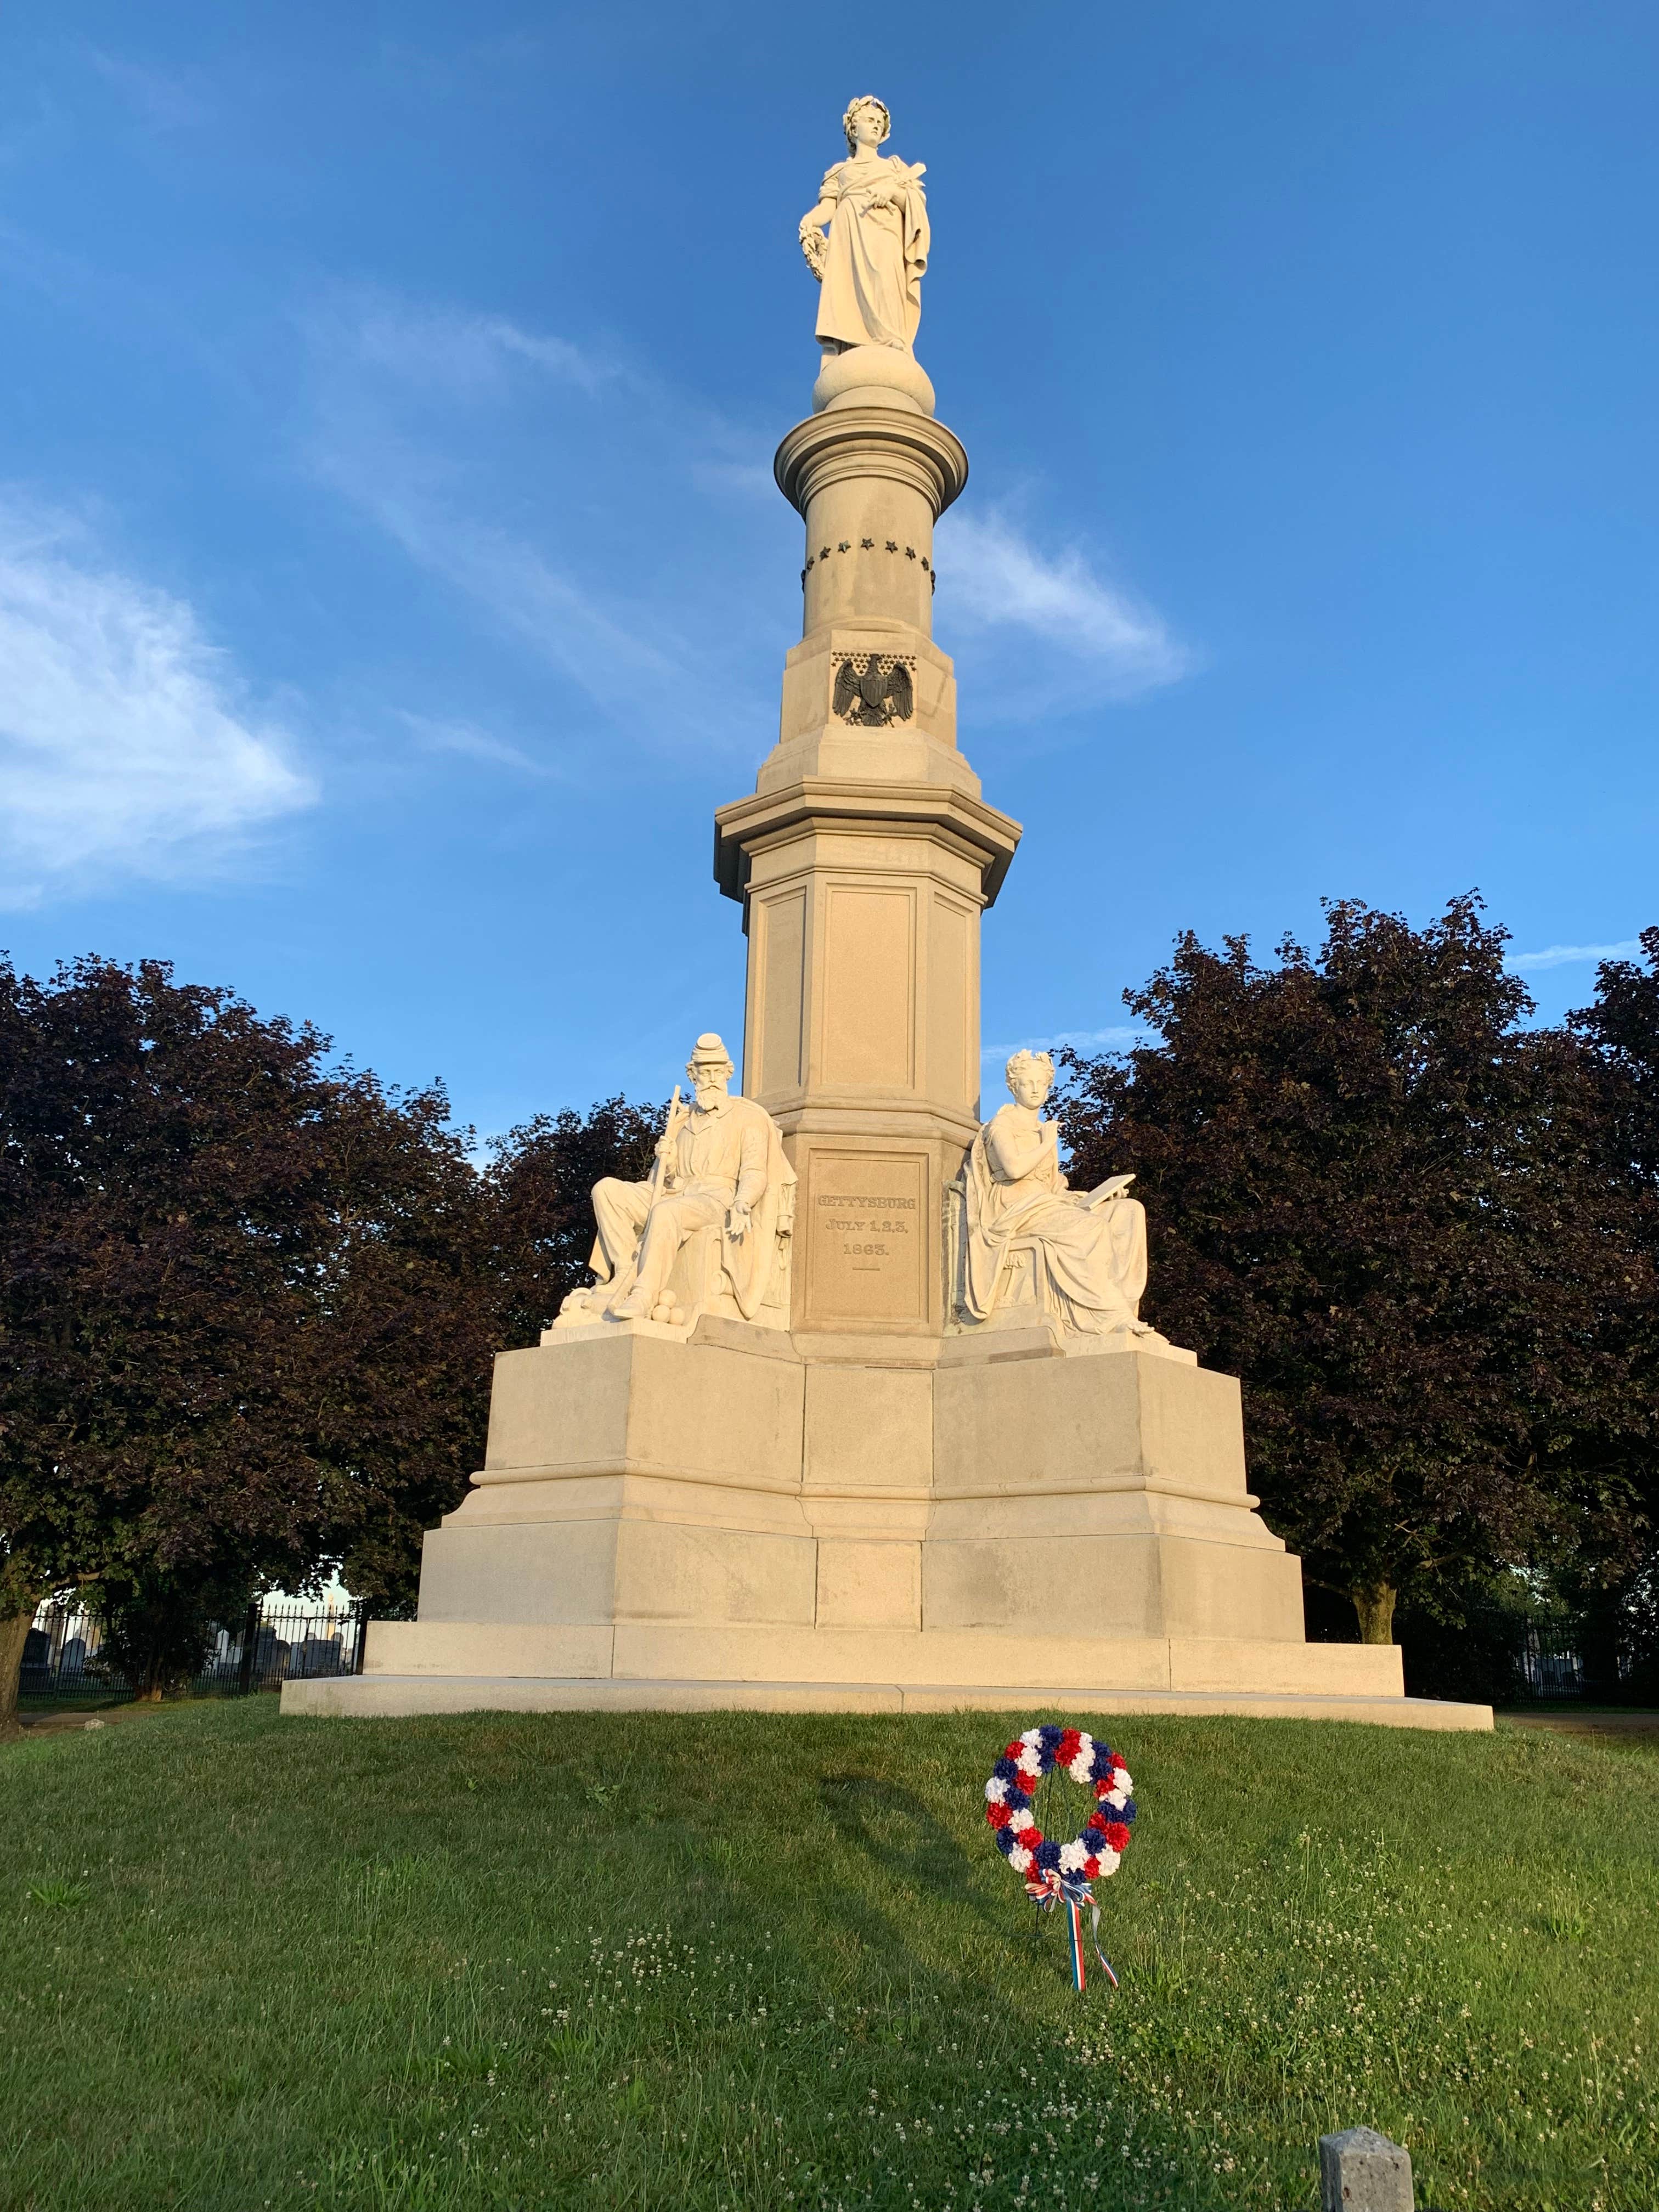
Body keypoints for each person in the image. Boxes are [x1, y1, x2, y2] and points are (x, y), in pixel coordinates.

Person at [565, 1034, 791, 1327]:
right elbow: (665, 1179)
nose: (711, 1079)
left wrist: (743, 1202)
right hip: (676, 1193)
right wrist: (667, 1161)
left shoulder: (747, 1119)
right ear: (692, 1075)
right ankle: (623, 1271)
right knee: (606, 1190)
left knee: (666, 1213)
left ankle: (644, 1294)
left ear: (728, 1073)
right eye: (704, 1072)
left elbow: (754, 1171)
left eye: (717, 1072)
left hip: (717, 1198)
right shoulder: (681, 1120)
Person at [960, 1049, 1167, 1343]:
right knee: (1090, 1227)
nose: (1034, 1089)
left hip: (1048, 1203)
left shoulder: (1042, 1129)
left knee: (1128, 1211)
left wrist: (1097, 1197)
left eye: (1040, 1084)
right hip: (1016, 1208)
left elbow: (1054, 1187)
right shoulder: (1003, 1126)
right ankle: (1108, 1316)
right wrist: (1047, 1143)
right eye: (1027, 1083)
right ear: (1013, 1086)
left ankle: (1123, 1303)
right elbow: (1015, 1168)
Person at [798, 95, 929, 361]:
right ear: (853, 129)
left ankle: (890, 335)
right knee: (850, 290)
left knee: (886, 278)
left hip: (885, 231)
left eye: (880, 122)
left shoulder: (894, 167)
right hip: (849, 236)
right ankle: (852, 344)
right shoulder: (839, 172)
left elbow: (914, 203)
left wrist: (892, 190)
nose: (876, 126)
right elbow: (828, 208)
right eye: (870, 120)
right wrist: (810, 220)